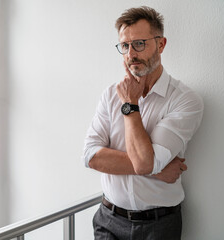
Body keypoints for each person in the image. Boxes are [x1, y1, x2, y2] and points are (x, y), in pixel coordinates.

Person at [82, 6, 204, 240]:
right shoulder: (109, 95)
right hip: (108, 220)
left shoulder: (185, 100)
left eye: (139, 43)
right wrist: (157, 171)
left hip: (158, 226)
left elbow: (146, 163)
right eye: (125, 46)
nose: (130, 54)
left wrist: (130, 104)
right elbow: (90, 156)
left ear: (161, 44)